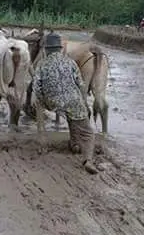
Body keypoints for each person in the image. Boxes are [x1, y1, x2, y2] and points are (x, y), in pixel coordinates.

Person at [32, 31, 104, 175]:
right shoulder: (70, 62)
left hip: (51, 101)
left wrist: (43, 100)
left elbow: (36, 88)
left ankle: (45, 141)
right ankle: (88, 160)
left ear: (46, 50)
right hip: (73, 101)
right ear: (60, 49)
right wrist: (81, 101)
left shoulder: (41, 64)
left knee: (38, 103)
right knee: (88, 133)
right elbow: (80, 84)